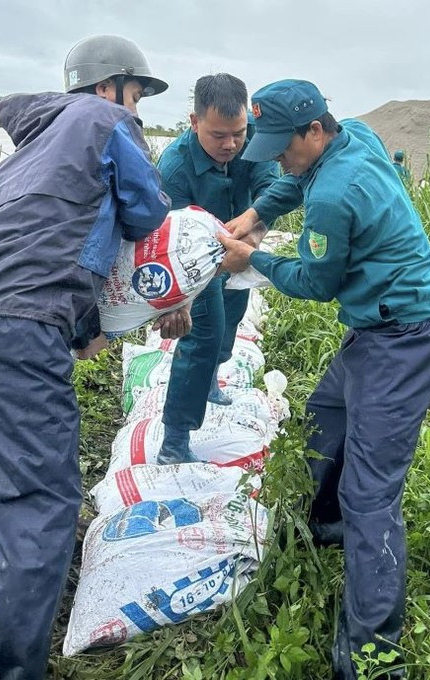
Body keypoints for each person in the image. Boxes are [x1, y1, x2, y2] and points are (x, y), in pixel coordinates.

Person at [0, 35, 181, 679]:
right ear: (109, 87)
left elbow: (47, 241)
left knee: (10, 488)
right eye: (136, 94)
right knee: (42, 506)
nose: (137, 109)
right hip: (23, 329)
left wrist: (83, 327)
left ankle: (9, 618)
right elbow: (147, 211)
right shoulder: (105, 120)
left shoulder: (28, 152)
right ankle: (0, 670)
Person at [218, 79, 430, 679]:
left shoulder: (333, 195)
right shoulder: (357, 137)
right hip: (376, 331)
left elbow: (317, 283)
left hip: (401, 342)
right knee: (326, 415)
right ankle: (326, 525)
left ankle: (373, 656)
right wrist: (255, 215)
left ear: (315, 130)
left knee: (371, 495)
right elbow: (293, 181)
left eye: (283, 146)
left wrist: (253, 258)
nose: (277, 159)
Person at [155, 73, 284, 463]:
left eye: (238, 134)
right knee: (202, 336)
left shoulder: (254, 140)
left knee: (232, 315)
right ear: (194, 122)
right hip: (195, 260)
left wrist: (251, 240)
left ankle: (211, 377)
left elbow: (271, 191)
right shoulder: (174, 168)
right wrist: (177, 300)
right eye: (218, 135)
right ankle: (174, 440)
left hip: (242, 242)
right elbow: (171, 242)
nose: (230, 144)